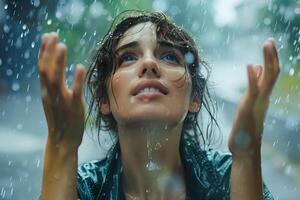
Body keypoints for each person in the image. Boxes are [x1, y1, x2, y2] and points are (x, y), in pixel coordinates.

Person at [38, 10, 279, 200]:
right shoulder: (82, 188)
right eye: (129, 57)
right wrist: (61, 149)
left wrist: (248, 157)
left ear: (195, 98)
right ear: (103, 99)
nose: (149, 63)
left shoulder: (228, 178)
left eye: (169, 56)